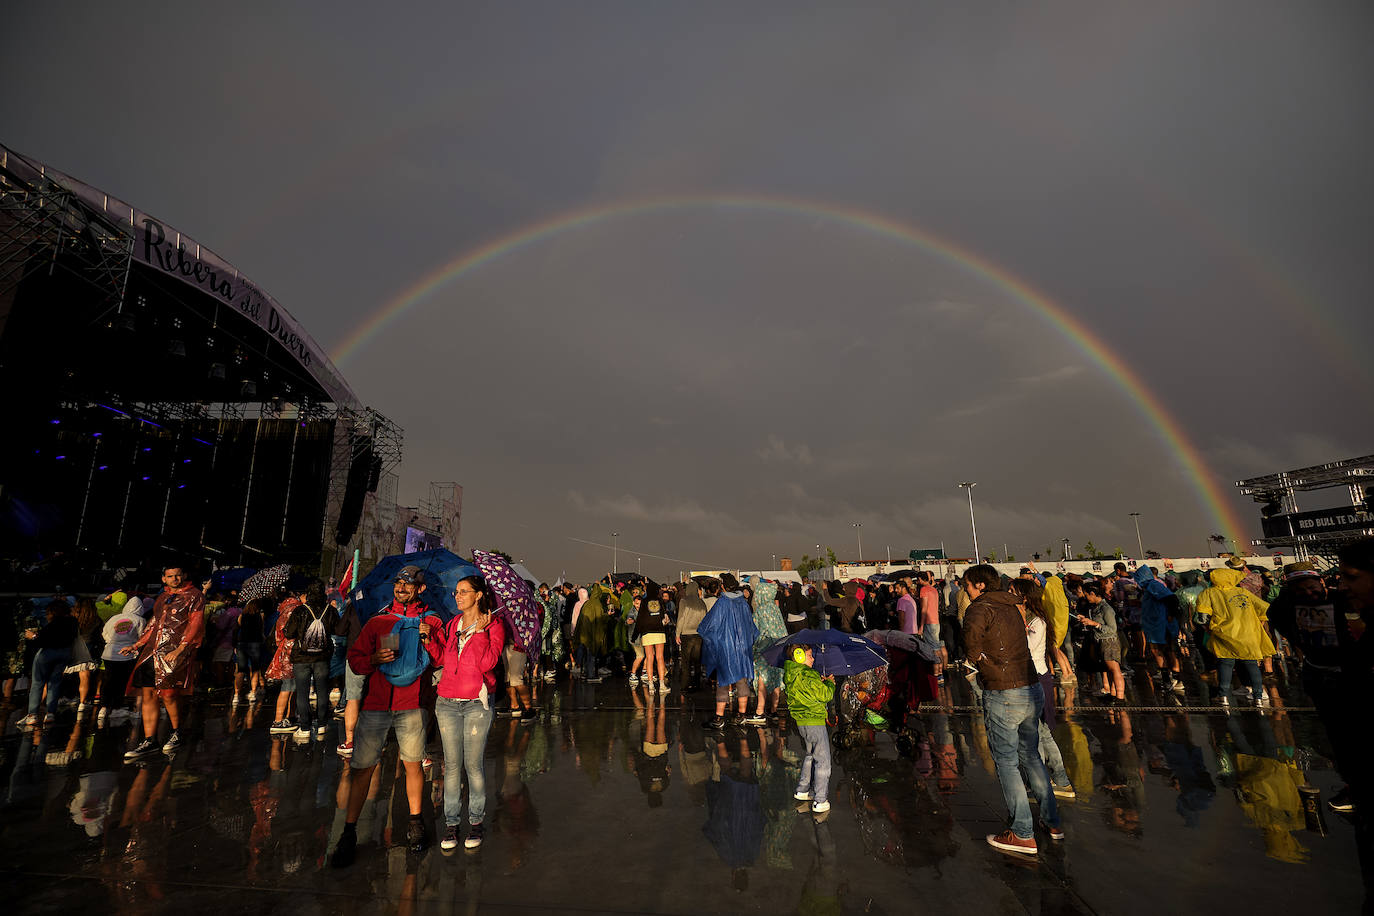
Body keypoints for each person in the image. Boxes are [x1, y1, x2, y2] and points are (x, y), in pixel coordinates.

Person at [331, 565, 443, 865]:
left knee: (413, 766)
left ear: (421, 589)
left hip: (412, 705)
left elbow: (440, 659)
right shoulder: (379, 621)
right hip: (376, 705)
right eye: (398, 583)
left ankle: (416, 823)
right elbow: (355, 661)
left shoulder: (431, 621)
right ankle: (349, 832)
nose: (401, 588)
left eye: (408, 584)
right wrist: (372, 659)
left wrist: (428, 637)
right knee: (363, 768)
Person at [962, 563, 1061, 855]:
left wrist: (982, 664)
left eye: (967, 585)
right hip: (1030, 686)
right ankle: (1052, 821)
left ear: (980, 585)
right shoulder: (1014, 605)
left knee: (1006, 762)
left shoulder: (979, 608)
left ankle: (1022, 832)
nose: (965, 590)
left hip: (1003, 691)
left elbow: (970, 649)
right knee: (1031, 756)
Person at [433, 574, 505, 851]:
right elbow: (443, 659)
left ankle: (475, 821)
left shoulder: (494, 625)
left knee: (473, 766)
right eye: (456, 592)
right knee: (451, 766)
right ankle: (451, 823)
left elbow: (487, 663)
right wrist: (430, 641)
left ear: (478, 595)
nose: (458, 596)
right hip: (447, 701)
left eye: (464, 592)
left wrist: (481, 632)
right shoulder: (453, 624)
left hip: (476, 701)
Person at [120, 565, 205, 760]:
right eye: (170, 576)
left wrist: (181, 648)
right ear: (164, 578)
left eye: (178, 575)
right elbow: (154, 624)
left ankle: (176, 732)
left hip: (173, 652)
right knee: (148, 693)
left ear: (184, 575)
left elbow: (196, 623)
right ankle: (150, 739)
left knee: (169, 694)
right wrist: (137, 645)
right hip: (152, 652)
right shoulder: (163, 597)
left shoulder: (195, 596)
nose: (175, 579)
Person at [1198, 566, 1273, 707]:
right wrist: (1260, 623)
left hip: (1224, 634)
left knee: (1225, 664)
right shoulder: (1242, 591)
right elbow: (1263, 607)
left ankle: (1223, 696)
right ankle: (1258, 697)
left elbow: (1202, 617)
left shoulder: (1209, 593)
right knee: (1252, 664)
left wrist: (1208, 629)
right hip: (1248, 634)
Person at [283, 579, 341, 741]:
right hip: (322, 657)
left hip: (301, 657)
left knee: (302, 692)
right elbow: (338, 629)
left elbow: (289, 633)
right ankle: (322, 724)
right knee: (323, 691)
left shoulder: (300, 610)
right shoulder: (330, 610)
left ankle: (305, 727)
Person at [699, 573, 759, 729]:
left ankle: (719, 718)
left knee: (723, 682)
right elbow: (752, 629)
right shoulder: (744, 604)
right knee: (742, 680)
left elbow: (707, 627)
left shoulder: (722, 604)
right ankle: (741, 714)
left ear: (723, 587)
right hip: (743, 649)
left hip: (726, 649)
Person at [785, 644, 835, 813]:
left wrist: (818, 682)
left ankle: (803, 789)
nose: (813, 658)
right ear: (799, 657)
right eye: (809, 656)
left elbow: (806, 691)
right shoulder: (809, 674)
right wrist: (830, 684)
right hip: (814, 721)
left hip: (802, 722)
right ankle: (820, 800)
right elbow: (824, 695)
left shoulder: (792, 673)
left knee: (809, 754)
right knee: (823, 760)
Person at [20, 599, 78, 728]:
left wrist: (33, 636)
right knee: (55, 683)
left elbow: (43, 640)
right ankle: (50, 713)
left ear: (53, 612)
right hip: (64, 653)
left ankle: (32, 715)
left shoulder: (54, 623)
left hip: (47, 654)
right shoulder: (73, 622)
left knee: (38, 683)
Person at [97, 595, 148, 726]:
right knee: (122, 681)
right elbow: (142, 638)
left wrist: (111, 643)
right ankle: (117, 708)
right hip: (127, 655)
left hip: (109, 654)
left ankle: (103, 708)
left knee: (108, 680)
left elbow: (104, 633)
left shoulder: (114, 618)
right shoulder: (140, 620)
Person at [1078, 582, 1125, 701]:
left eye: (1087, 595)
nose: (1086, 598)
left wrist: (1095, 624)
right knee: (1109, 670)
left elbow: (1112, 629)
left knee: (1115, 669)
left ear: (1093, 594)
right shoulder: (1098, 607)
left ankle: (1120, 698)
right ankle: (1113, 695)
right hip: (1101, 641)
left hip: (1109, 642)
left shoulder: (1106, 608)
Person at [746, 577, 785, 723]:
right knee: (775, 679)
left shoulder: (760, 610)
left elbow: (754, 631)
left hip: (764, 649)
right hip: (778, 648)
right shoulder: (775, 608)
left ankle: (760, 711)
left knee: (762, 679)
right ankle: (773, 711)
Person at [637, 584, 673, 694]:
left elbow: (640, 618)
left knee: (649, 658)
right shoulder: (660, 601)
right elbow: (664, 616)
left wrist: (635, 635)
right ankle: (662, 685)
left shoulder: (644, 602)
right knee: (660, 658)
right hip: (659, 632)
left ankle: (651, 686)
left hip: (647, 633)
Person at [675, 581, 709, 691]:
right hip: (698, 635)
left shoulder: (684, 601)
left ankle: (685, 685)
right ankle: (697, 684)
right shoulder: (701, 603)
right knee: (697, 661)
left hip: (686, 634)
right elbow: (705, 620)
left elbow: (681, 618)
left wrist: (677, 634)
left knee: (686, 661)